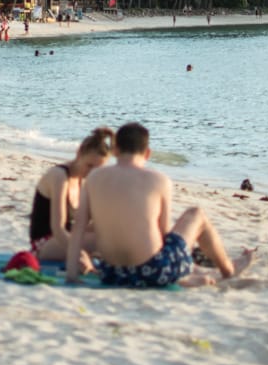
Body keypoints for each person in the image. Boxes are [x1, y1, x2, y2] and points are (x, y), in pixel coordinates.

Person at [66, 122, 256, 288]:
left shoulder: (94, 178)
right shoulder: (159, 180)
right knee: (196, 214)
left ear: (114, 150)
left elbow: (78, 230)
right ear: (147, 153)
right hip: (153, 271)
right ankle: (228, 270)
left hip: (112, 273)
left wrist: (71, 276)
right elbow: (163, 234)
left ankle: (192, 275)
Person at [29, 127, 115, 268]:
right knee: (104, 241)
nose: (92, 172)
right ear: (79, 153)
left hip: (67, 236)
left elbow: (87, 223)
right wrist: (79, 254)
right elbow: (58, 228)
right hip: (45, 243)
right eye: (89, 166)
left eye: (97, 169)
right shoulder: (59, 176)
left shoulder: (83, 180)